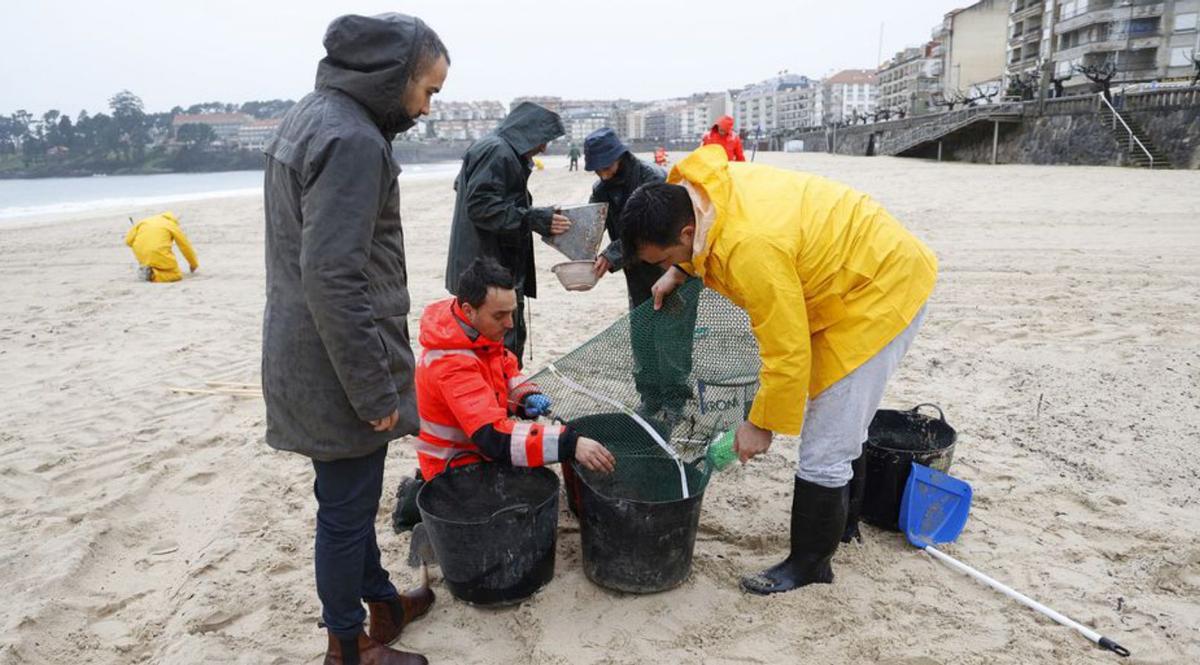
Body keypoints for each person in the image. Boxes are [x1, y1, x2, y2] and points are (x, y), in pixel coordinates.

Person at [619, 145, 937, 596]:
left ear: (686, 231)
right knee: (843, 419)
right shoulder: (699, 193)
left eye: (664, 258)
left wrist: (759, 425)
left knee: (826, 442)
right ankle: (845, 526)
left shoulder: (750, 248)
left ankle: (811, 563)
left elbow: (787, 351)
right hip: (842, 272)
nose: (663, 266)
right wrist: (680, 272)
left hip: (880, 286)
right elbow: (700, 248)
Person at [260, 13, 448, 665]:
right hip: (335, 364)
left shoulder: (312, 115)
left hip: (309, 351)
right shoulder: (354, 140)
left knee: (351, 495)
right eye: (427, 89)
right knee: (343, 510)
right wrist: (372, 387)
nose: (427, 106)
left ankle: (381, 600)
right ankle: (348, 645)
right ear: (393, 77)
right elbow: (332, 274)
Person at [413, 257, 616, 480]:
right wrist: (569, 443)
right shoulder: (451, 364)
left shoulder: (473, 331)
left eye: (512, 312)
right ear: (468, 310)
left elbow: (504, 367)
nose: (510, 324)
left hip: (477, 450)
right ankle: (419, 492)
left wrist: (524, 395)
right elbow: (493, 438)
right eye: (499, 315)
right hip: (454, 465)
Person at [445, 101, 570, 366]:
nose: (544, 147)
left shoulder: (494, 148)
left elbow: (469, 190)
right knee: (501, 347)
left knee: (498, 346)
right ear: (527, 132)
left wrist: (534, 214)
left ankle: (503, 402)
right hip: (489, 268)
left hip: (485, 263)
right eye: (543, 139)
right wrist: (533, 218)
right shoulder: (498, 151)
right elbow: (481, 207)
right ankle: (501, 405)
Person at [583, 127, 696, 417]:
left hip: (671, 265)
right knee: (642, 335)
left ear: (620, 156)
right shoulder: (601, 189)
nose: (604, 175)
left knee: (673, 335)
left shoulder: (653, 178)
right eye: (597, 170)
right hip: (636, 272)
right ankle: (650, 397)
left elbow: (652, 231)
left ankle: (675, 401)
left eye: (606, 167)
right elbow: (593, 226)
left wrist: (612, 254)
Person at [124, 211, 198, 282]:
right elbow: (185, 246)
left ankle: (149, 270)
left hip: (140, 254)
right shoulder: (171, 225)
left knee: (158, 264)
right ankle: (152, 275)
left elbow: (128, 241)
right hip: (158, 252)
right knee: (176, 274)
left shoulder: (144, 221)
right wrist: (193, 264)